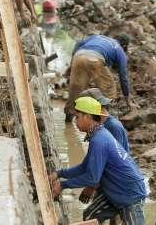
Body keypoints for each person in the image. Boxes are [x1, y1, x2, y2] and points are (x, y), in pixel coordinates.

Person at [50, 97, 146, 225]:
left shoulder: (99, 140)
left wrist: (63, 185)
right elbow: (84, 167)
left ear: (87, 117)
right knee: (90, 216)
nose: (75, 121)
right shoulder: (99, 135)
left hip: (130, 195)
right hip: (117, 191)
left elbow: (92, 178)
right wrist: (59, 173)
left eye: (77, 117)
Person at [66, 34, 132, 122]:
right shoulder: (119, 49)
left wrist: (72, 63)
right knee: (109, 89)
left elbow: (78, 43)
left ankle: (68, 117)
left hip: (78, 56)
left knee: (75, 89)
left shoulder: (98, 37)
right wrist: (128, 100)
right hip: (96, 60)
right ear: (124, 46)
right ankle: (106, 119)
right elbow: (123, 77)